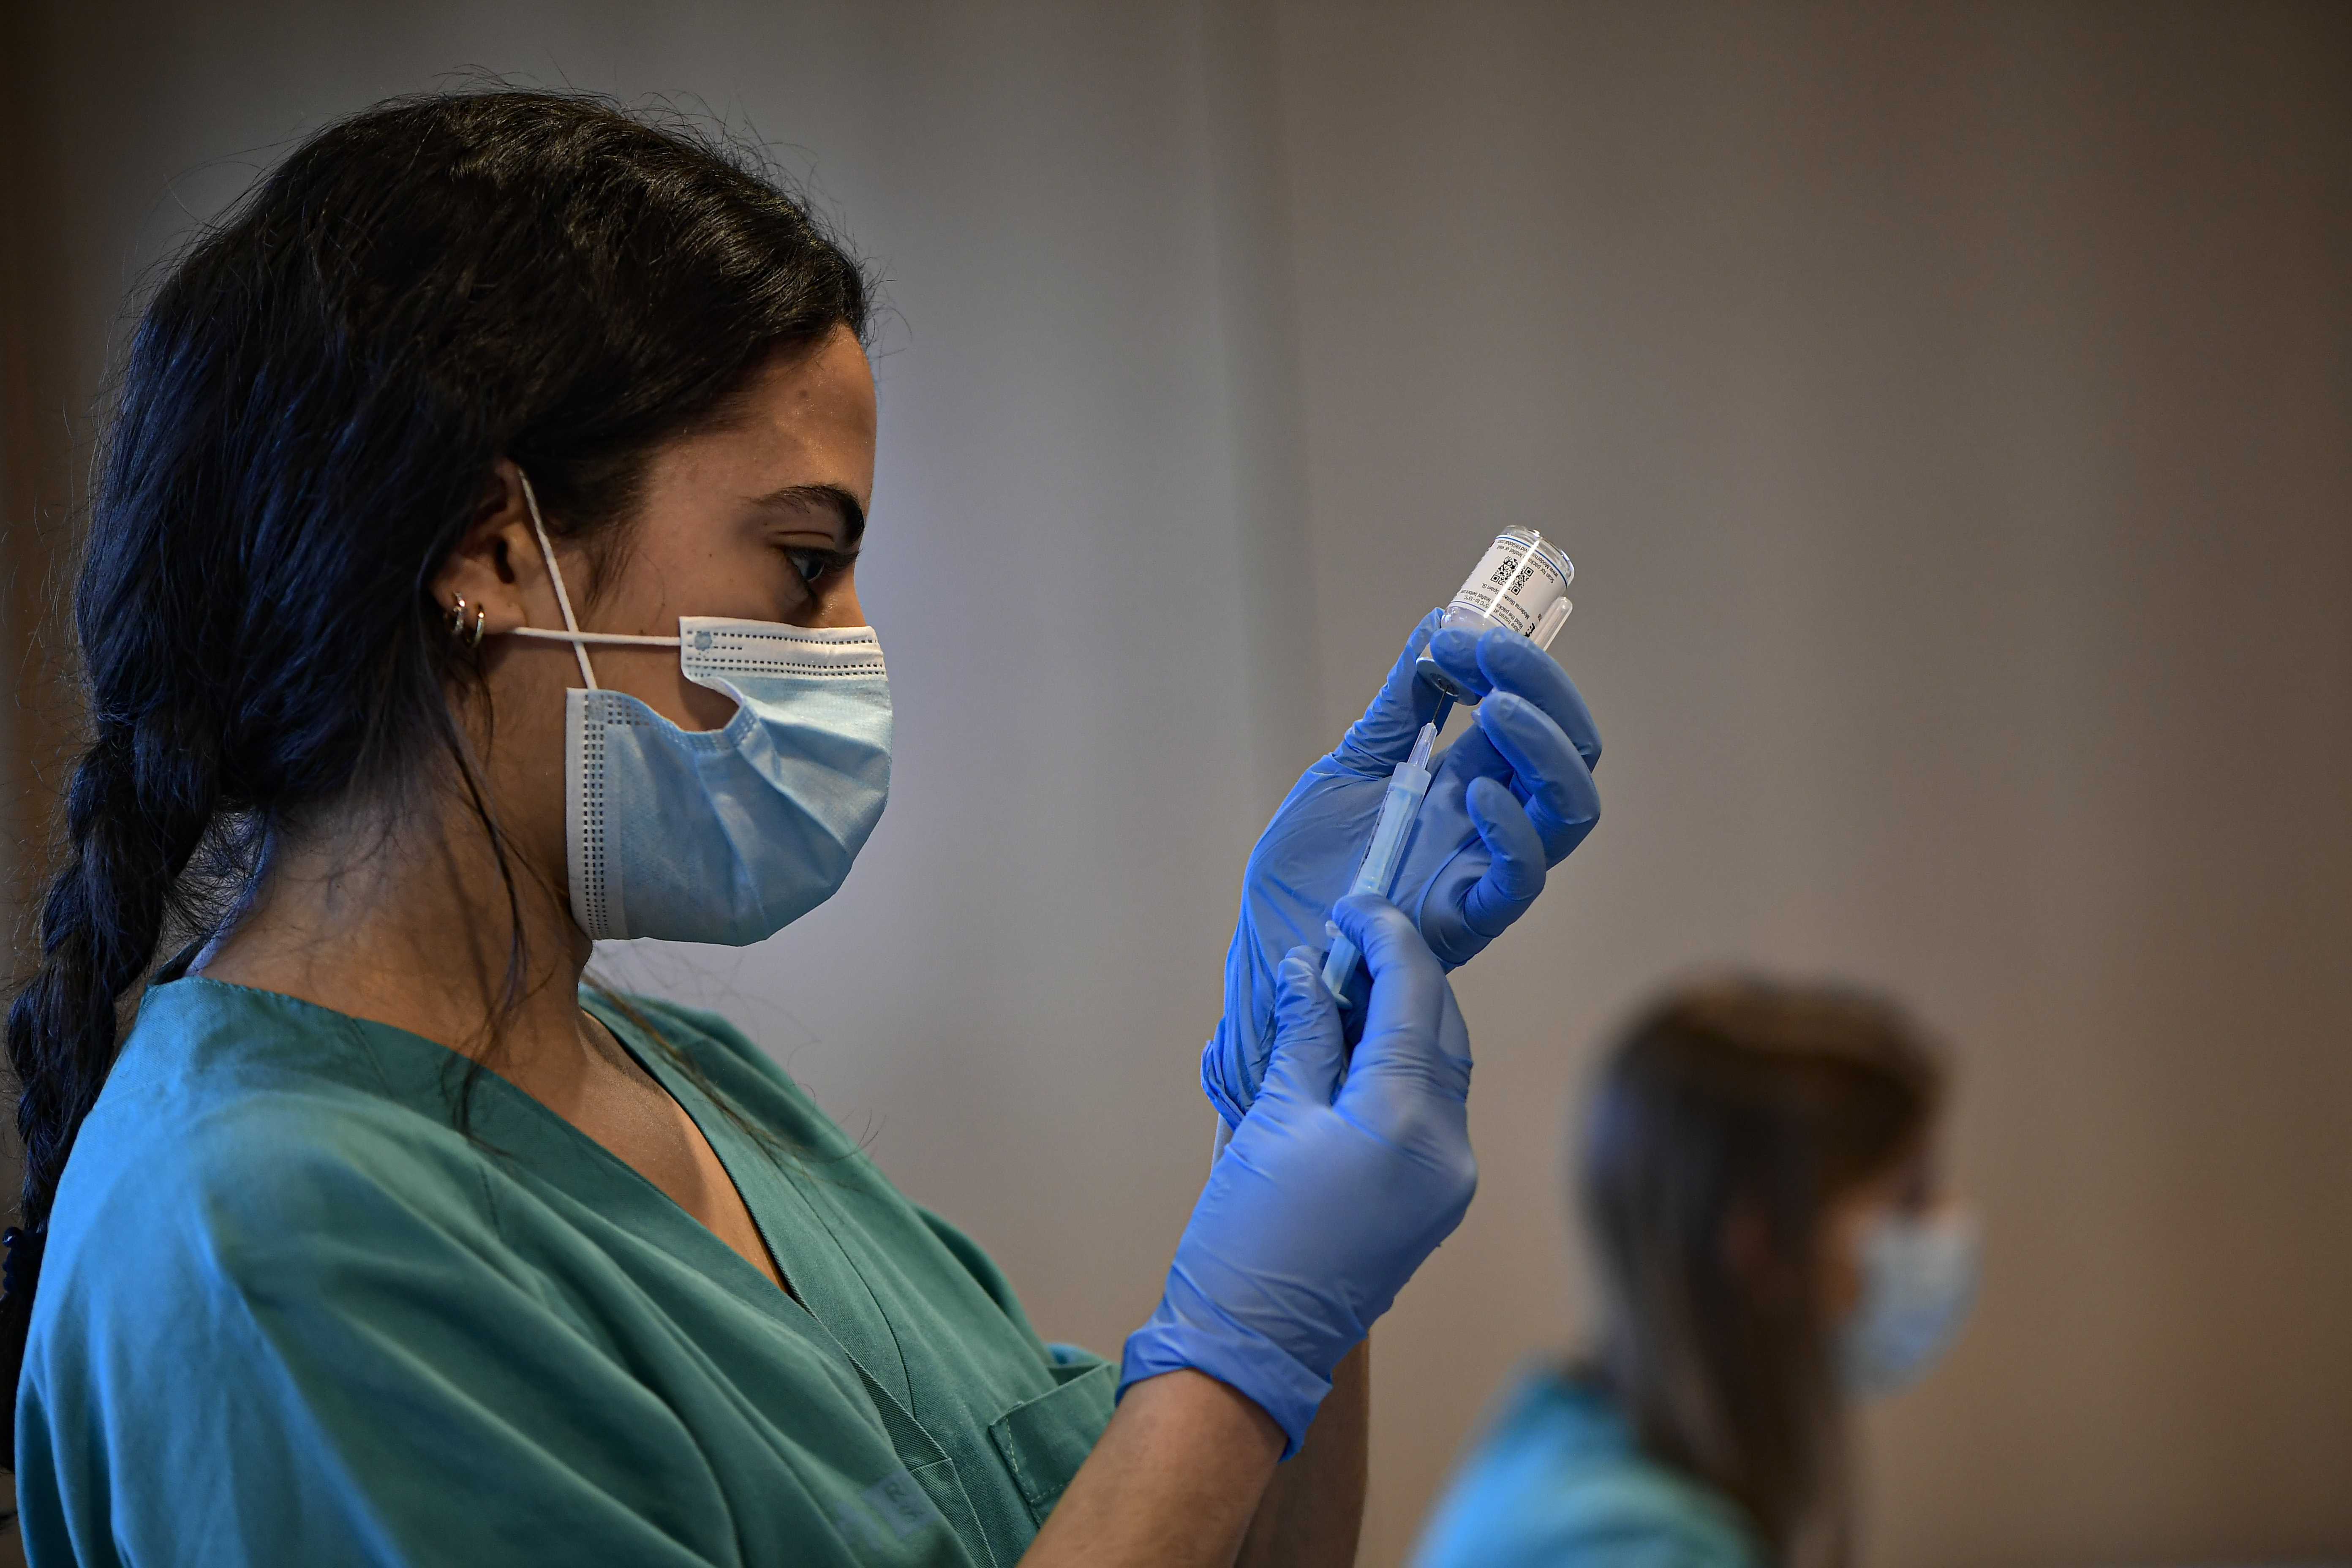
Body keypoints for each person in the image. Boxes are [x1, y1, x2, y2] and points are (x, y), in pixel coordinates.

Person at [0, 91, 1602, 1566]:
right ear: (490, 551)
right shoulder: (271, 1244)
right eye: (799, 560)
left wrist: (1286, 1151)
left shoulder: (675, 1088)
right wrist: (1236, 1352)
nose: (849, 646)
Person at [1410, 978, 1977, 1568]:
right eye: (1909, 1198)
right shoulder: (1627, 1547)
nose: (1946, 1224)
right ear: (1762, 1246)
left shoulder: (1573, 1435)